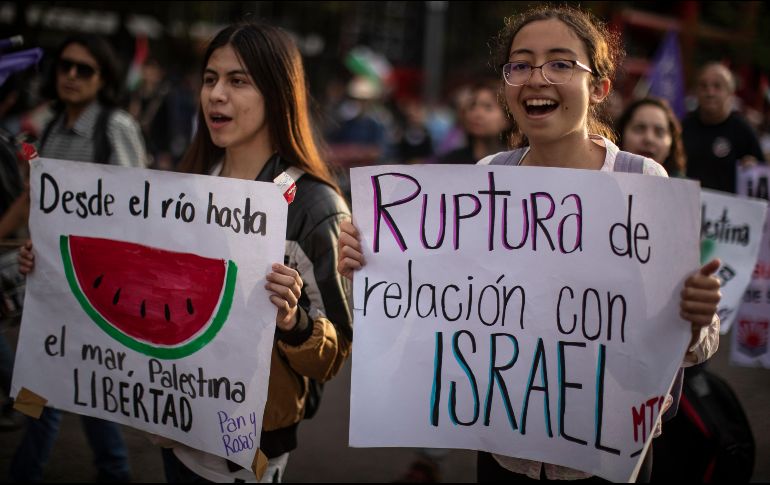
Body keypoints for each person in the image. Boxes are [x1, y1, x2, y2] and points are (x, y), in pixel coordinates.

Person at [337, 5, 721, 483]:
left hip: (606, 454)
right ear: (507, 86)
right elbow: (432, 307)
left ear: (599, 87)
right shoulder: (485, 179)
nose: (537, 78)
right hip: (503, 451)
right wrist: (370, 266)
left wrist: (696, 314)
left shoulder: (642, 181)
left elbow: (697, 345)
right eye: (520, 64)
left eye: (560, 63)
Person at [159, 21, 351, 482]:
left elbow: (334, 353)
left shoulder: (314, 207)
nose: (216, 94)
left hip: (249, 452)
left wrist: (293, 322)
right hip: (175, 427)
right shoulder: (189, 184)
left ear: (278, 93)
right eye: (210, 78)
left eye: (237, 80)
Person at [10, 33, 148, 483]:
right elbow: (37, 199)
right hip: (51, 287)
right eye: (65, 66)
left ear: (102, 78)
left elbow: (137, 208)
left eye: (83, 69)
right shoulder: (50, 126)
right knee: (72, 394)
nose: (71, 75)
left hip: (95, 292)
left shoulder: (115, 127)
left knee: (73, 394)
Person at [683, 62, 765, 193]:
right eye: (704, 86)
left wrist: (754, 170)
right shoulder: (683, 127)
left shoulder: (743, 131)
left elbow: (761, 176)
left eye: (717, 86)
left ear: (730, 93)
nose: (710, 92)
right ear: (696, 92)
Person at [438, 78, 512, 165]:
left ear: (508, 118)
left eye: (488, 107)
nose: (477, 114)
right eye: (472, 106)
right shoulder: (450, 162)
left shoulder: (515, 163)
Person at [616, 97, 686, 176]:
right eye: (639, 129)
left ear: (672, 142)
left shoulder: (684, 187)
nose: (649, 139)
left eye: (659, 132)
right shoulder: (601, 181)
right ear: (621, 134)